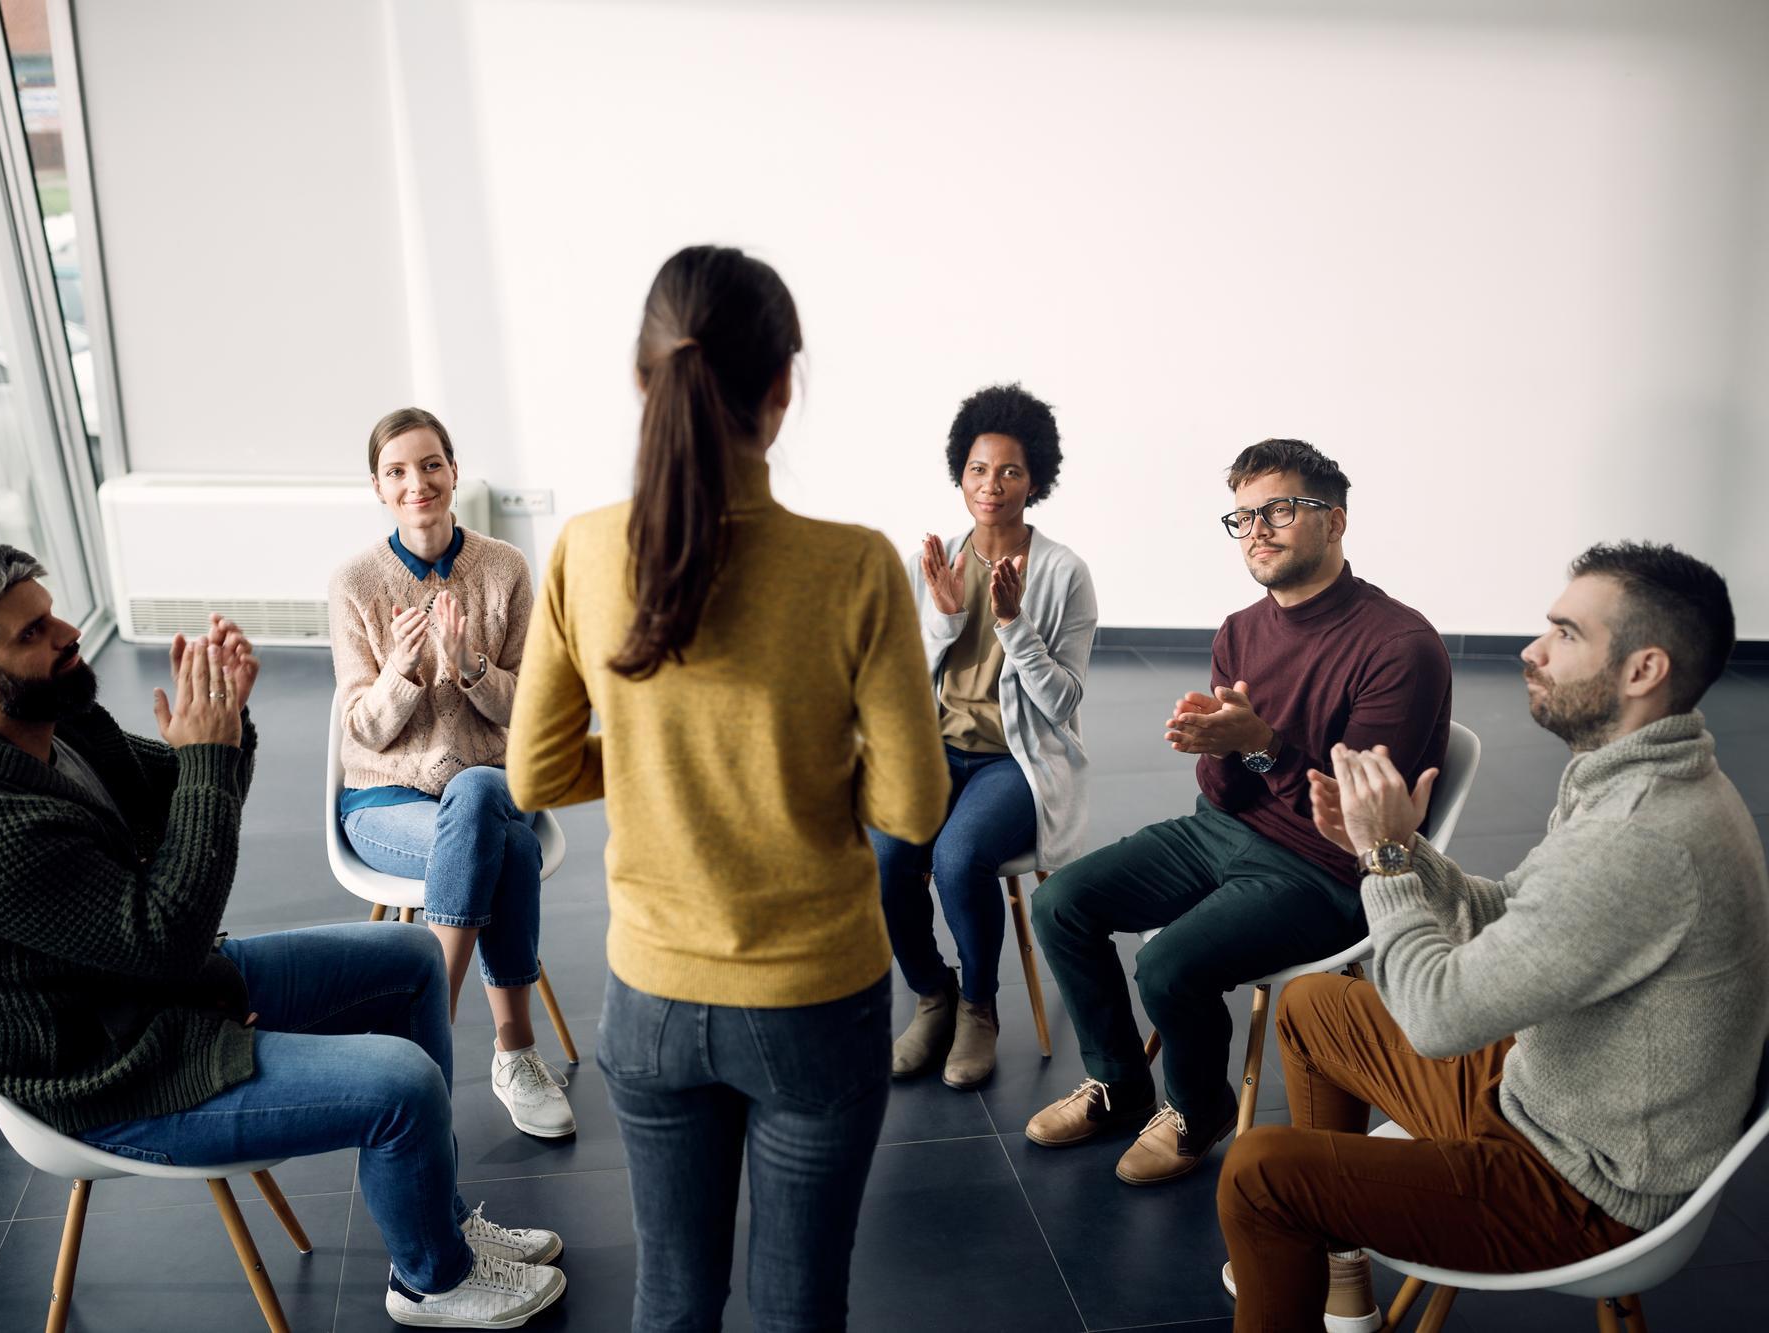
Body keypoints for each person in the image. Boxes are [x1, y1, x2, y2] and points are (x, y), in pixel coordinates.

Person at [0, 543, 564, 1328]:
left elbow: (181, 797)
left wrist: (223, 728)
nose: (67, 631)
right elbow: (165, 929)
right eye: (31, 632)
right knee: (402, 1083)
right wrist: (205, 757)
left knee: (410, 960)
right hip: (115, 1071)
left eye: (51, 608)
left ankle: (436, 1225)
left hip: (157, 990)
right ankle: (432, 1280)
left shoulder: (49, 722)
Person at [506, 245, 949, 1331]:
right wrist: (792, 761)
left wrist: (656, 757)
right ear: (781, 388)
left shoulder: (582, 548)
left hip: (649, 1000)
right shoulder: (853, 567)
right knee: (798, 1305)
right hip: (813, 1001)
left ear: (640, 375)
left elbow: (535, 771)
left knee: (671, 1295)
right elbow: (913, 808)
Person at [1217, 541, 1769, 1333]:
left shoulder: (1641, 838)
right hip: (1543, 1092)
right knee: (1312, 1006)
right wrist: (1404, 854)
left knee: (1258, 1175)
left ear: (1643, 670)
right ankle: (1336, 1269)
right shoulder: (1636, 775)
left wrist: (1382, 863)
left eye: (1566, 634)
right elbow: (1516, 908)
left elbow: (1437, 1021)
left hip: (1580, 1187)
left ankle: (1302, 1236)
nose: (1532, 650)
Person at [1026, 440, 1451, 1186]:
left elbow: (1356, 825)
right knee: (1061, 901)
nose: (1257, 528)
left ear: (1335, 520)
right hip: (1225, 831)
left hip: (1326, 874)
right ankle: (1119, 1083)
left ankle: (1196, 1110)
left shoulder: (1399, 645)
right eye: (1244, 515)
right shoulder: (1239, 629)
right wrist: (1226, 749)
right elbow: (1223, 795)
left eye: (1280, 509)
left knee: (1166, 965)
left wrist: (1259, 745)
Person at [329, 406, 574, 1141]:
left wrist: (470, 668)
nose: (418, 483)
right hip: (388, 800)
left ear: (455, 471)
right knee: (508, 847)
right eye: (398, 471)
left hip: (492, 783)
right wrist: (402, 670)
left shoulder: (505, 568)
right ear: (377, 486)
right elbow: (362, 730)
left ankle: (426, 1034)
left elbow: (532, 710)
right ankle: (514, 1052)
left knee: (477, 793)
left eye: (431, 464)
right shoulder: (354, 582)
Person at [880, 382, 1096, 1089]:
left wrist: (1012, 624)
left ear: (1035, 478)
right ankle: (932, 994)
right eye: (978, 468)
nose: (991, 485)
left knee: (958, 854)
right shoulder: (936, 559)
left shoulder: (1064, 573)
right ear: (959, 473)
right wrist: (942, 617)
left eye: (1009, 470)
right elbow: (903, 678)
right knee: (884, 851)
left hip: (1017, 759)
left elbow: (1062, 702)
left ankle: (978, 1005)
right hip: (935, 748)